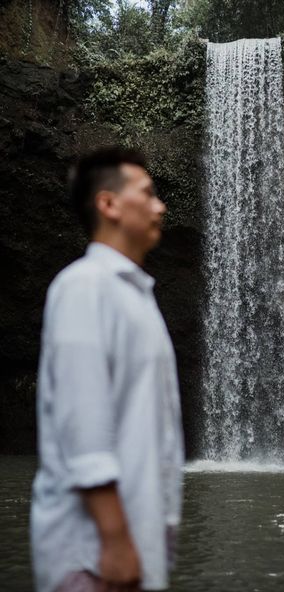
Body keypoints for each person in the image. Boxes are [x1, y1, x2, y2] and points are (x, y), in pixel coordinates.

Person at [31, 147, 184, 592]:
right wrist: (115, 541)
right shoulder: (84, 286)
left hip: (133, 543)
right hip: (93, 554)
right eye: (148, 193)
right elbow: (85, 426)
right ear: (109, 204)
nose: (161, 206)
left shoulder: (136, 294)